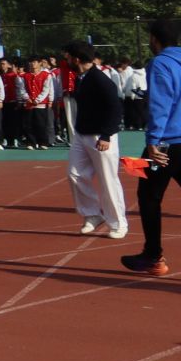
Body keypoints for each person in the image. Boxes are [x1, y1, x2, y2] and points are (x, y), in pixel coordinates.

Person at [126, 21, 181, 276]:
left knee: (148, 195)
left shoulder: (160, 64)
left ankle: (153, 256)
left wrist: (153, 140)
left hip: (166, 144)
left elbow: (161, 104)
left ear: (154, 39)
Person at [59, 39, 128, 240]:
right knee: (74, 174)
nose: (66, 61)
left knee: (108, 180)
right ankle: (93, 214)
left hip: (101, 136)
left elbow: (115, 109)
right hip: (82, 135)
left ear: (76, 59)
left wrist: (106, 135)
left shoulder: (100, 80)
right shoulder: (81, 78)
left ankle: (118, 223)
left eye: (68, 58)